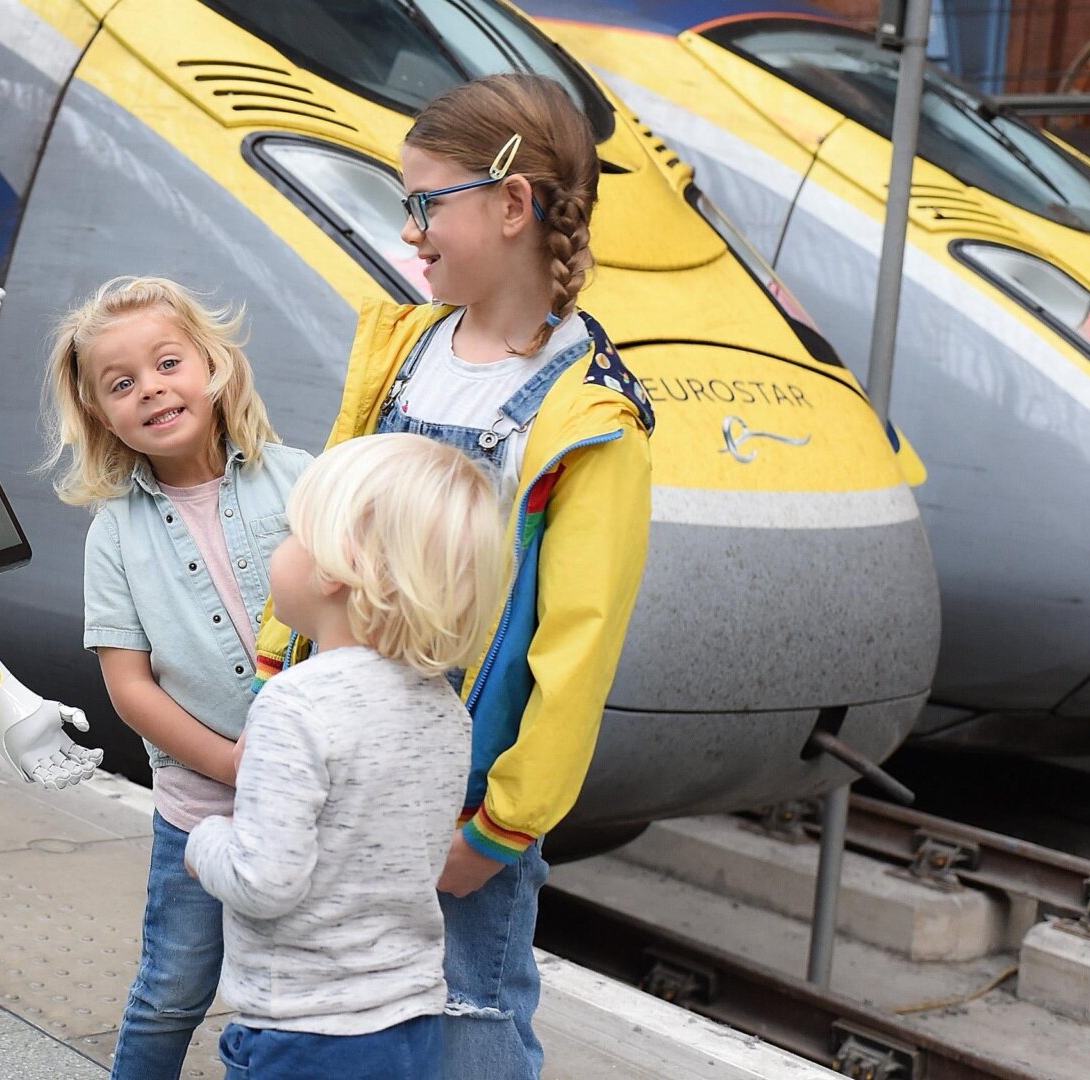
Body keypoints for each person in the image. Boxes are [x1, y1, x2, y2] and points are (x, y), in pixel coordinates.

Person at [251, 73, 657, 1080]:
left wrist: (502, 825)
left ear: (513, 205)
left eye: (427, 205)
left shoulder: (589, 417)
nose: (411, 232)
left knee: (468, 1021)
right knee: (340, 1011)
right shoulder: (404, 350)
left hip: (461, 792)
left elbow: (579, 644)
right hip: (344, 754)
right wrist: (276, 660)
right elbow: (331, 514)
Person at [41, 275, 313, 1080]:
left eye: (167, 364)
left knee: (290, 994)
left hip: (310, 800)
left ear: (213, 364)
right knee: (171, 990)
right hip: (198, 812)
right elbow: (130, 688)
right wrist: (235, 765)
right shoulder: (112, 535)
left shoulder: (302, 480)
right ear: (100, 413)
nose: (152, 390)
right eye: (122, 384)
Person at [186, 433, 502, 1080]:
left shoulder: (295, 705)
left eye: (291, 535)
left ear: (338, 565)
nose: (279, 552)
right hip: (408, 1023)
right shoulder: (444, 709)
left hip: (303, 1032)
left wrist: (205, 842)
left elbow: (264, 881)